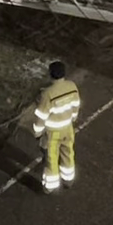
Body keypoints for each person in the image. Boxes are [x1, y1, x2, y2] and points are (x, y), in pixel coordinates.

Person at [32, 61, 82, 192]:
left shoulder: (47, 93)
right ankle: (68, 179)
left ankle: (50, 186)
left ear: (50, 74)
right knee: (68, 153)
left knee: (51, 158)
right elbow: (76, 105)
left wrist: (37, 132)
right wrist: (73, 118)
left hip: (53, 132)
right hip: (68, 128)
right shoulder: (72, 86)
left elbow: (41, 116)